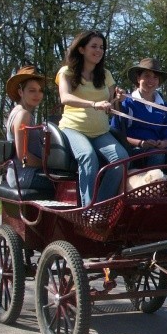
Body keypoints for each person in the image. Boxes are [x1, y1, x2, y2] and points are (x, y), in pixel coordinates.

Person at [56, 30, 128, 207]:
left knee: (121, 159)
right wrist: (94, 104)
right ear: (81, 49)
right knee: (88, 156)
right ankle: (87, 209)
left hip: (100, 131)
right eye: (94, 46)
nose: (99, 50)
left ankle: (100, 206)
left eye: (102, 47)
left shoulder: (106, 75)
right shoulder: (67, 72)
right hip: (73, 129)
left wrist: (118, 99)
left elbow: (109, 105)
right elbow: (65, 98)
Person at [111, 57, 167, 180]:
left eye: (155, 77)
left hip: (158, 150)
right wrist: (141, 143)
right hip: (134, 150)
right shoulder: (127, 102)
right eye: (147, 76)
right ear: (138, 78)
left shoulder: (164, 106)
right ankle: (151, 194)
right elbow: (117, 133)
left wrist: (163, 143)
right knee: (156, 155)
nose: (151, 81)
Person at [4, 64, 54, 193]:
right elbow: (23, 157)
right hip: (24, 175)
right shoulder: (23, 115)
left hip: (21, 173)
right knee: (69, 185)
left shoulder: (18, 112)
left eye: (40, 90)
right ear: (21, 92)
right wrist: (48, 165)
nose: (37, 94)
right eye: (32, 90)